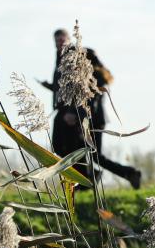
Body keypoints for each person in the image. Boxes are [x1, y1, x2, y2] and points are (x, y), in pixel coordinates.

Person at [40, 30, 141, 189]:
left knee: (89, 154)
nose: (60, 44)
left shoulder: (86, 69)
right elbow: (67, 86)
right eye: (57, 41)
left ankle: (93, 179)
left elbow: (83, 92)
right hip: (79, 115)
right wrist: (51, 87)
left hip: (88, 117)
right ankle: (91, 178)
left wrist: (75, 112)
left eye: (62, 40)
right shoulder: (63, 59)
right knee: (74, 150)